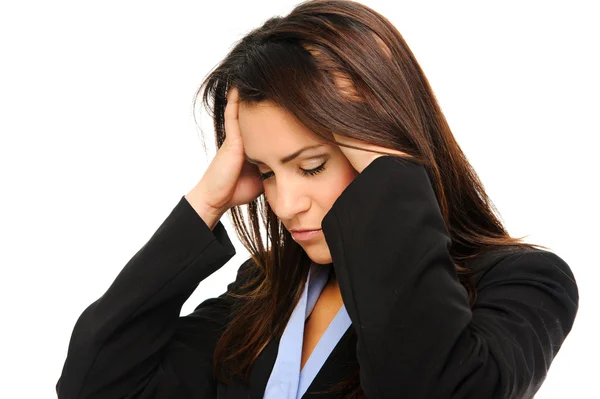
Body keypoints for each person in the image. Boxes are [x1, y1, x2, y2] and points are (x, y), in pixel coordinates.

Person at [55, 1, 579, 398]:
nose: (284, 205)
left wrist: (388, 167)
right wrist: (204, 204)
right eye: (264, 172)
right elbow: (95, 385)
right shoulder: (265, 288)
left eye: (312, 165)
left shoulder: (524, 284)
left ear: (381, 146)